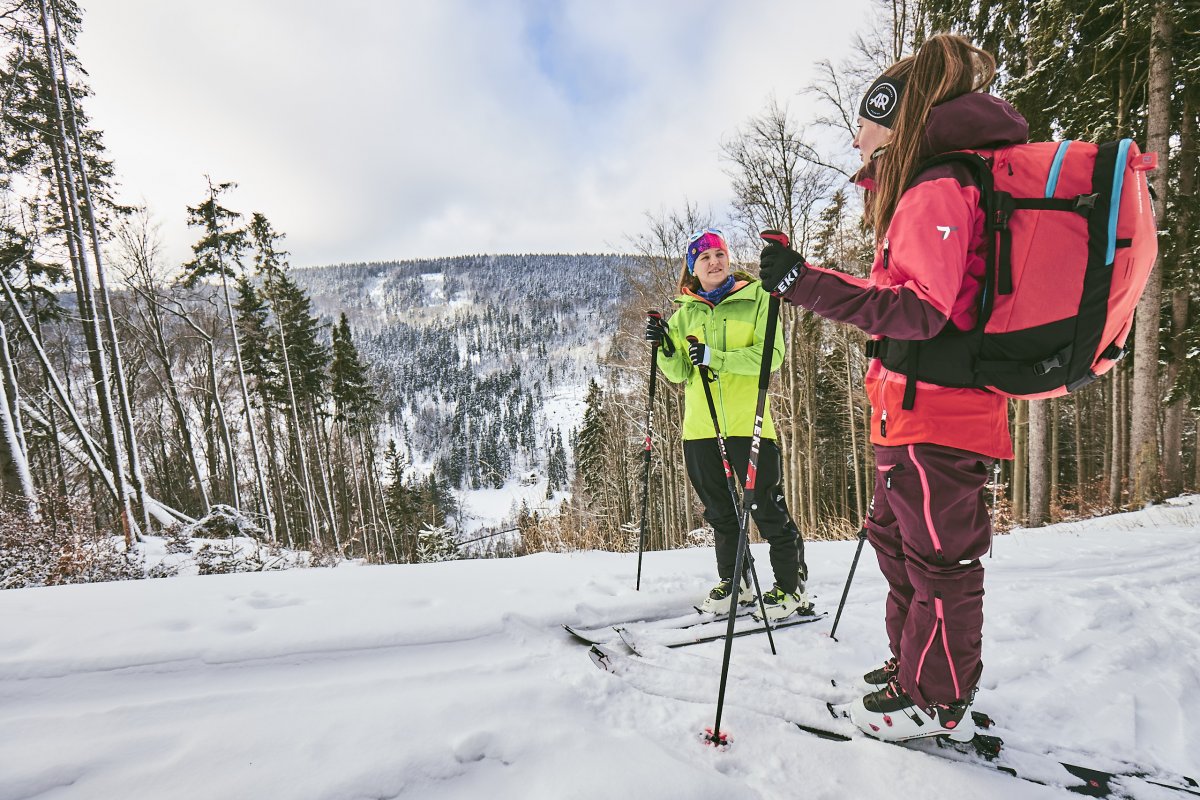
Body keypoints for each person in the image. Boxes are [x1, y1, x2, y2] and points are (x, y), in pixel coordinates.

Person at [757, 34, 1020, 742]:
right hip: (907, 410)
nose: (856, 136)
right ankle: (915, 666)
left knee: (939, 557)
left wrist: (803, 283)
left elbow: (922, 308)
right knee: (897, 541)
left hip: (942, 410)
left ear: (896, 120)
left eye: (866, 123)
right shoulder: (925, 185)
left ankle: (936, 696)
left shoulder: (939, 185)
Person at [645, 227, 811, 621]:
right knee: (720, 511)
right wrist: (665, 346)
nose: (714, 262)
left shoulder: (758, 298)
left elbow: (769, 358)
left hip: (747, 421)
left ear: (729, 260)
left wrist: (714, 356)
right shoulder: (685, 312)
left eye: (719, 254)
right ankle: (738, 582)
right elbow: (679, 371)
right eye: (704, 258)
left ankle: (791, 587)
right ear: (693, 269)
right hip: (700, 427)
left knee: (766, 507)